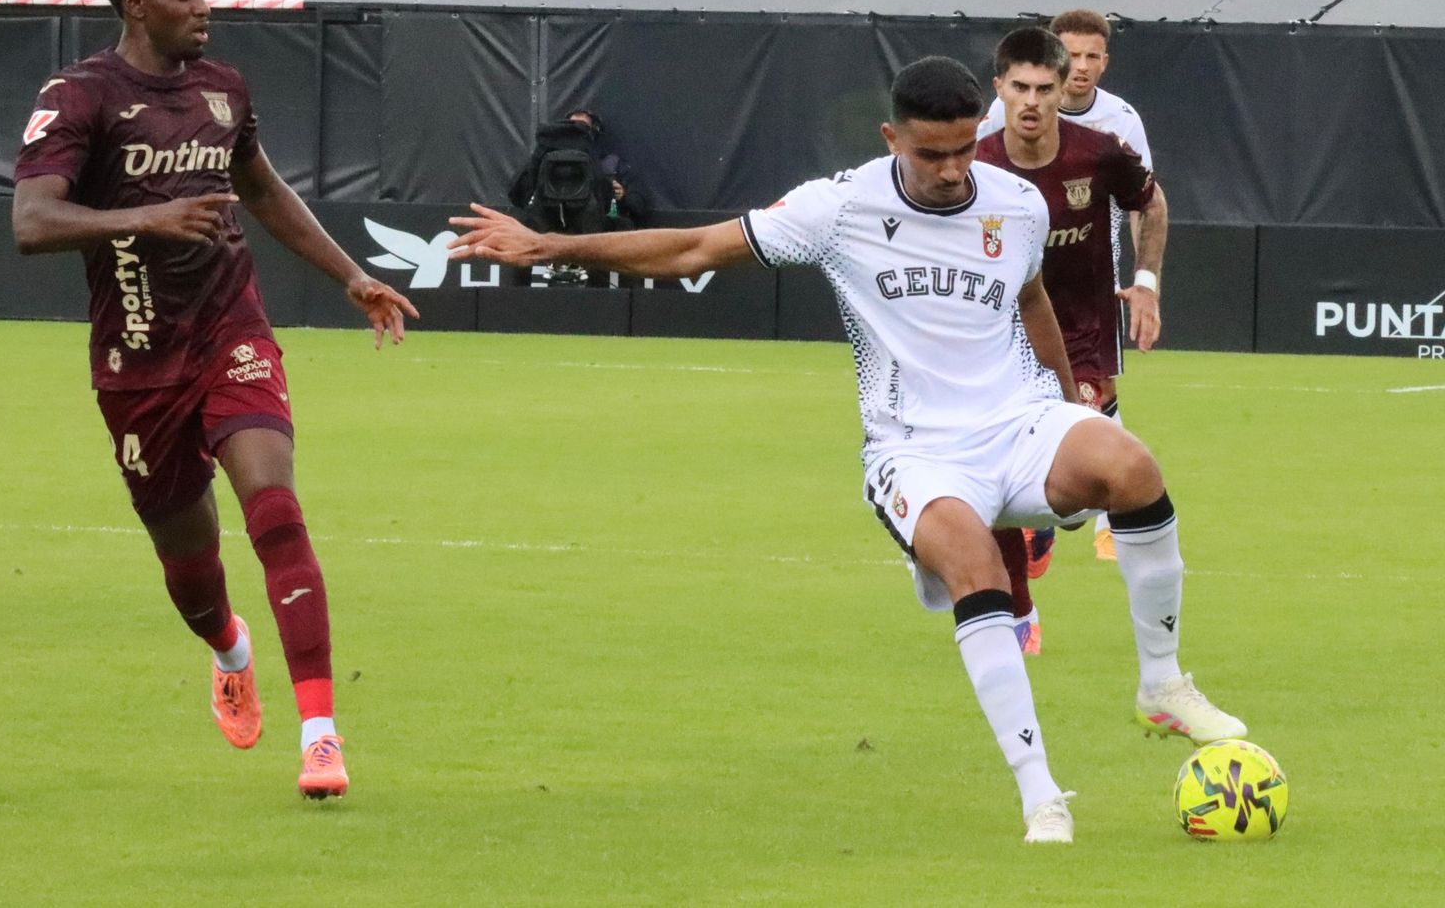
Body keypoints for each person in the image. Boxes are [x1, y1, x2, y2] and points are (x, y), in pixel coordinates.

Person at [447, 56, 1244, 843]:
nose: (951, 168)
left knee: (1131, 464)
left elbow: (1030, 294)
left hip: (1018, 418)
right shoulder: (838, 207)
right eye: (931, 152)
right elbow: (694, 250)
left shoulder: (1014, 202)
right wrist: (551, 247)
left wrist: (1072, 404)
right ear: (892, 136)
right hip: (917, 449)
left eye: (966, 148)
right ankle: (1042, 796)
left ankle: (1162, 681)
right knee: (978, 567)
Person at [10, 0, 418, 799]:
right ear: (136, 4)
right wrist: (143, 220)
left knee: (275, 507)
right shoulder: (79, 95)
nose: (205, 8)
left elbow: (260, 186)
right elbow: (32, 224)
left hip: (232, 330)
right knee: (191, 571)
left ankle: (320, 736)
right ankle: (229, 648)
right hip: (137, 357)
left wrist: (350, 276)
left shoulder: (223, 91)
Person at [977, 26, 1170, 654]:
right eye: (1020, 88)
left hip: (1082, 340)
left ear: (1065, 91)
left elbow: (1152, 200)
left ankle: (1052, 528)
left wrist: (1145, 282)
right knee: (999, 484)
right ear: (999, 88)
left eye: (1045, 88)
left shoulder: (1100, 152)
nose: (1031, 101)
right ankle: (1019, 612)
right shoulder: (976, 163)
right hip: (1001, 344)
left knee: (1078, 493)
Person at [508, 108, 649, 284]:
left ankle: (611, 300)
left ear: (595, 133)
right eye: (570, 128)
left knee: (622, 227)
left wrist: (621, 196)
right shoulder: (543, 161)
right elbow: (516, 193)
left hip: (593, 226)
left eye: (581, 129)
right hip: (549, 222)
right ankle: (518, 298)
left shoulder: (610, 164)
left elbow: (640, 205)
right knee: (518, 229)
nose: (574, 134)